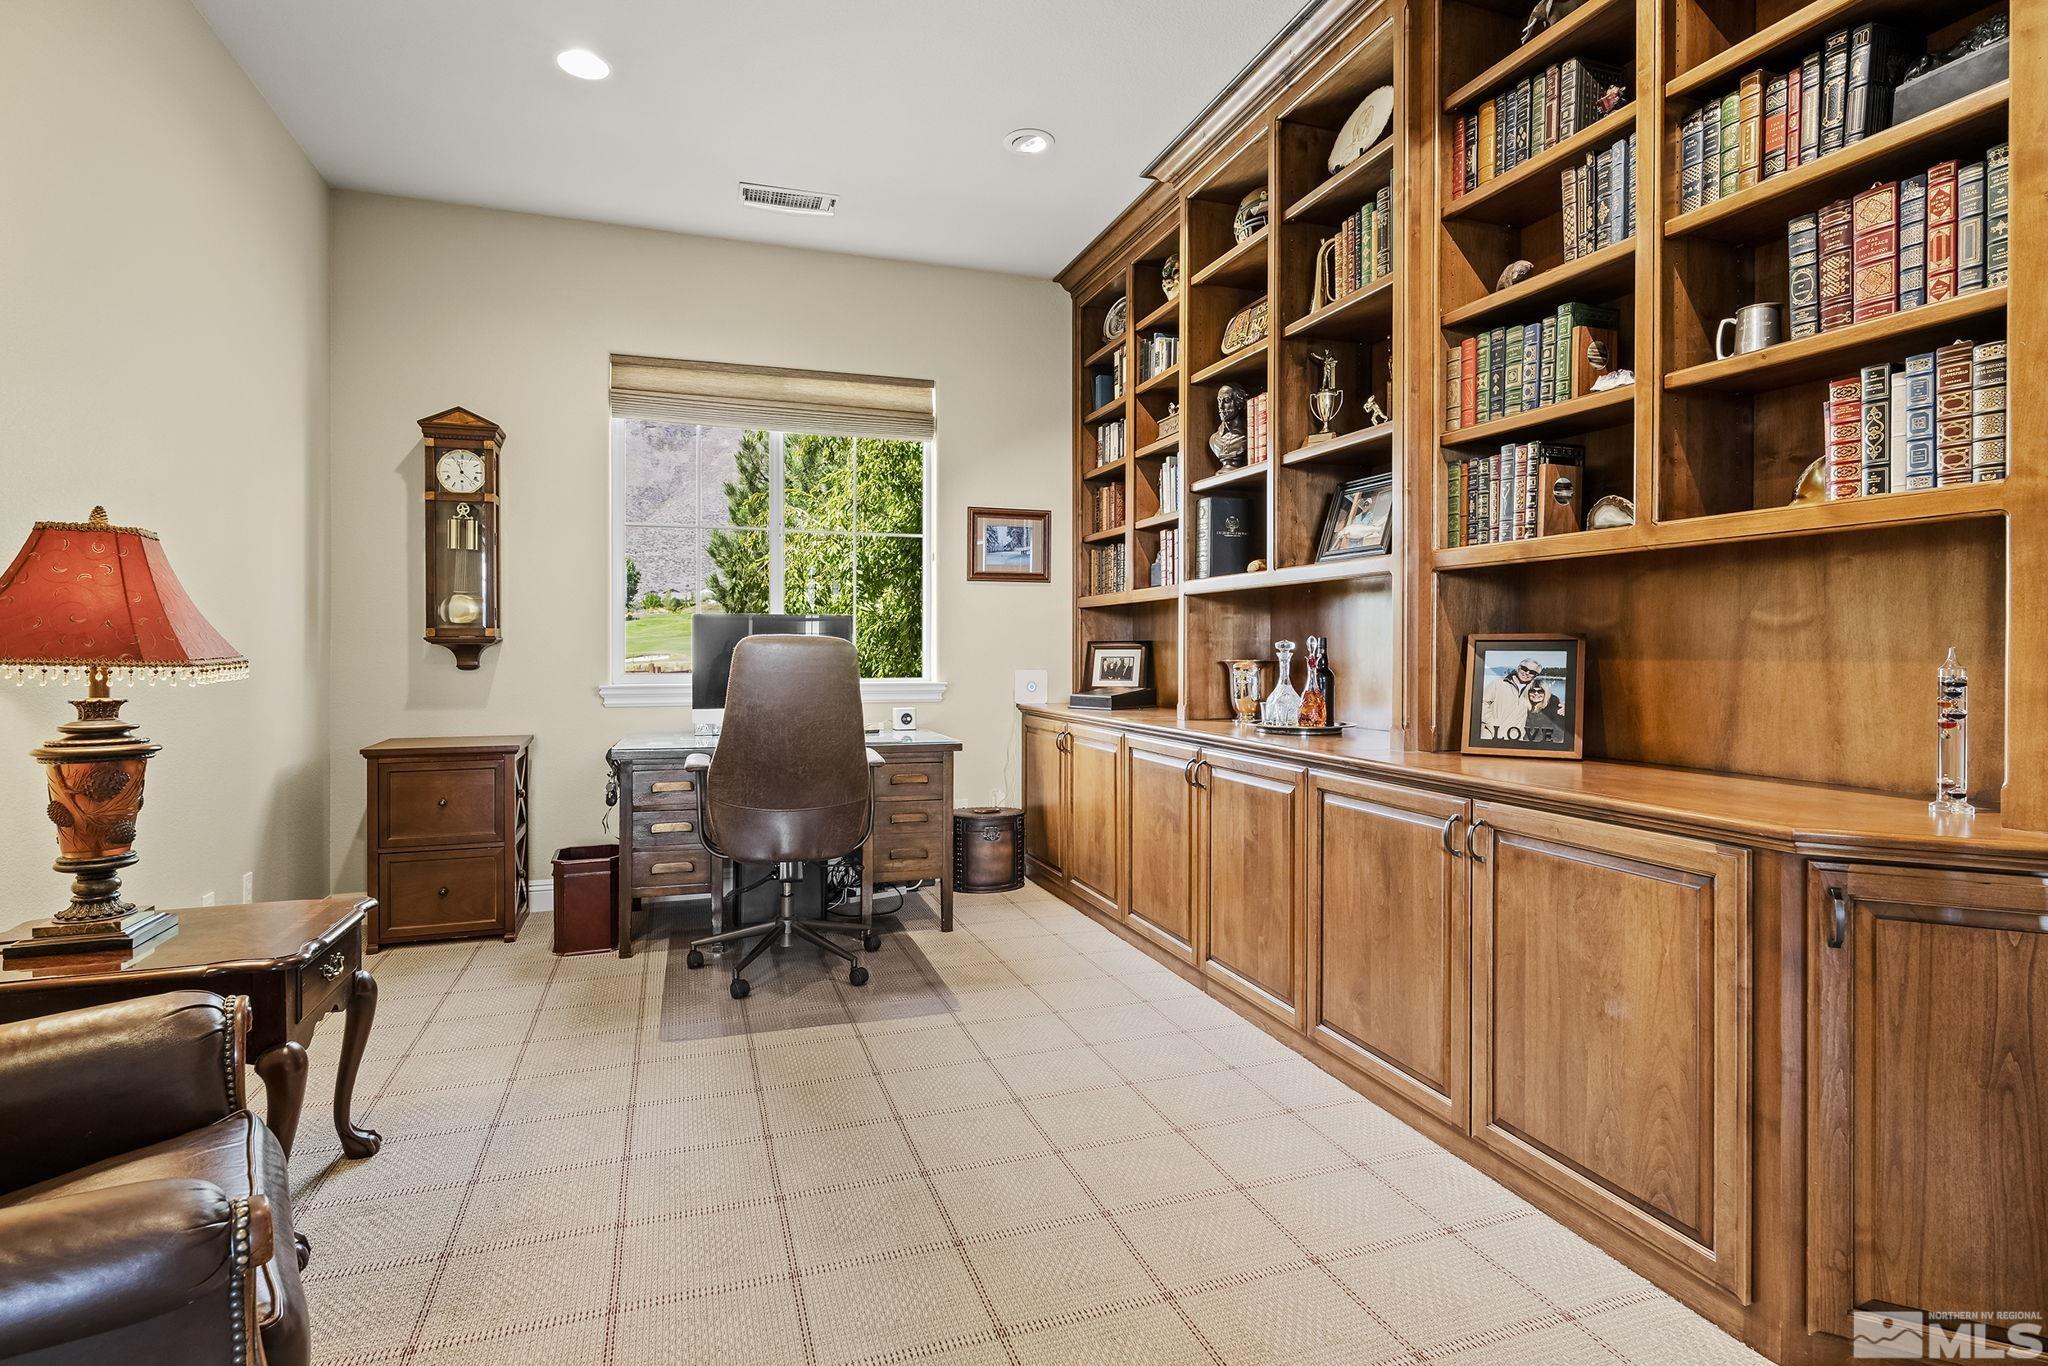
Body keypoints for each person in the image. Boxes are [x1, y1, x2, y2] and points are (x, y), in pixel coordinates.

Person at [1481, 657, 1544, 738]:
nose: (1527, 673)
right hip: (1491, 735)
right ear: (1519, 668)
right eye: (1524, 669)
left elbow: (1547, 700)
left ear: (1535, 675)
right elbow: (1481, 702)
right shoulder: (1498, 683)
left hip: (1515, 738)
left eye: (1532, 672)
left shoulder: (1534, 690)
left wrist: (1563, 706)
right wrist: (1491, 721)